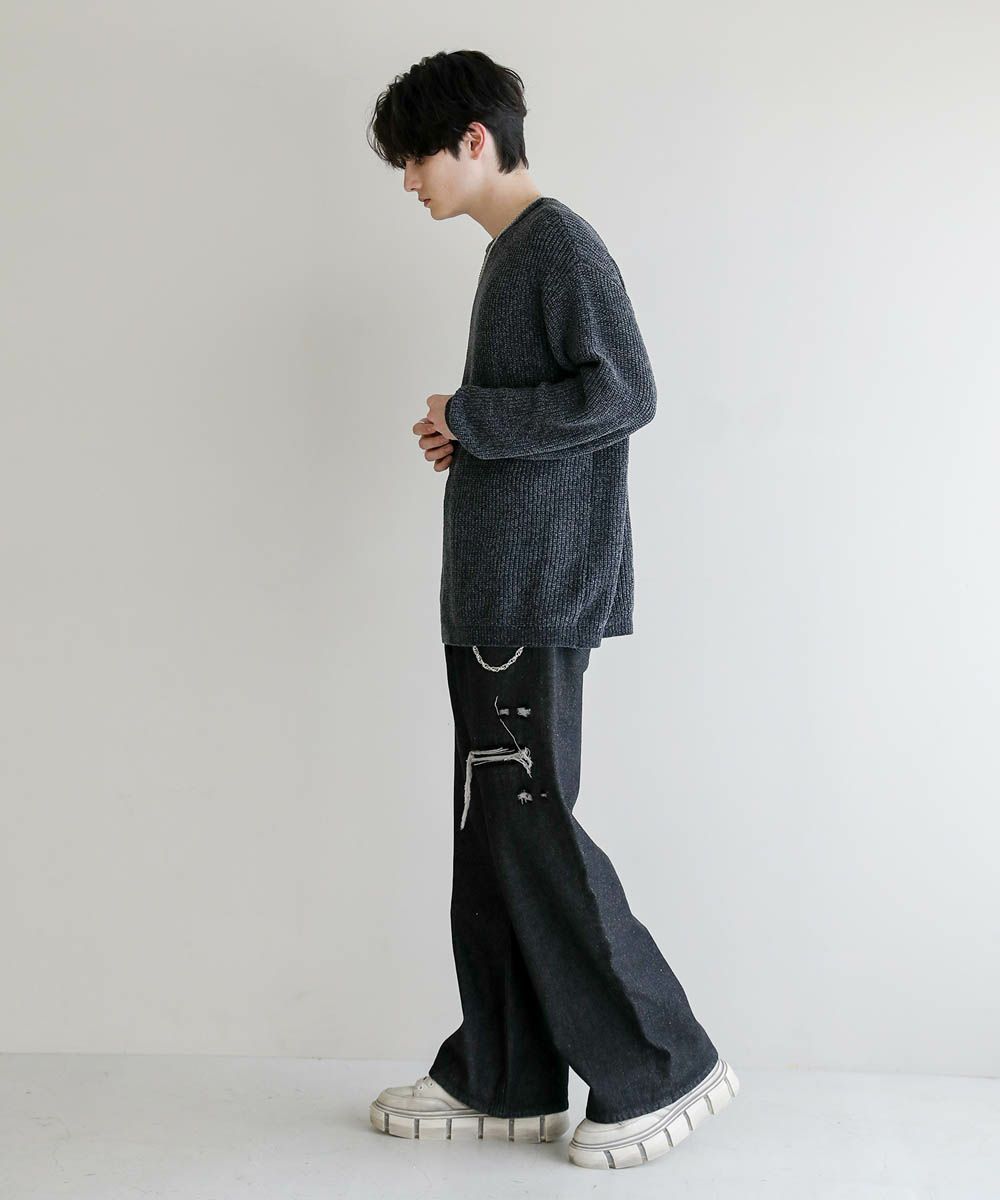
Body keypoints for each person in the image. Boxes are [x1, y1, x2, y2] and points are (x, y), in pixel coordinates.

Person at [363, 49, 739, 1171]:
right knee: (494, 837)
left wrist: (479, 417)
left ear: (474, 139)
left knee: (528, 825)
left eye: (415, 158)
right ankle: (505, 1073)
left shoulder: (558, 245)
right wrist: (469, 430)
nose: (408, 181)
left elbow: (625, 391)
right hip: (495, 594)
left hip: (531, 593)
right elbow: (552, 411)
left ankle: (663, 1062)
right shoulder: (514, 254)